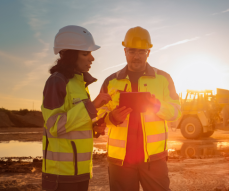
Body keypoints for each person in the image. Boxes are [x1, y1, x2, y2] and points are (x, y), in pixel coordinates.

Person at [97, 26, 181, 191]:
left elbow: (176, 111)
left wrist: (157, 106)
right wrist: (111, 117)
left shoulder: (164, 79)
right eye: (132, 51)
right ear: (125, 51)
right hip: (120, 161)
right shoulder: (110, 81)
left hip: (154, 160)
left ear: (148, 52)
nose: (136, 56)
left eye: (141, 52)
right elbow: (97, 113)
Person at [41, 25, 111, 191]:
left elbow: (76, 122)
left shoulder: (80, 84)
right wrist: (91, 107)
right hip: (61, 175)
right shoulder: (56, 81)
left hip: (81, 171)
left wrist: (95, 125)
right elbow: (54, 125)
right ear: (71, 55)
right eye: (86, 53)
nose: (92, 58)